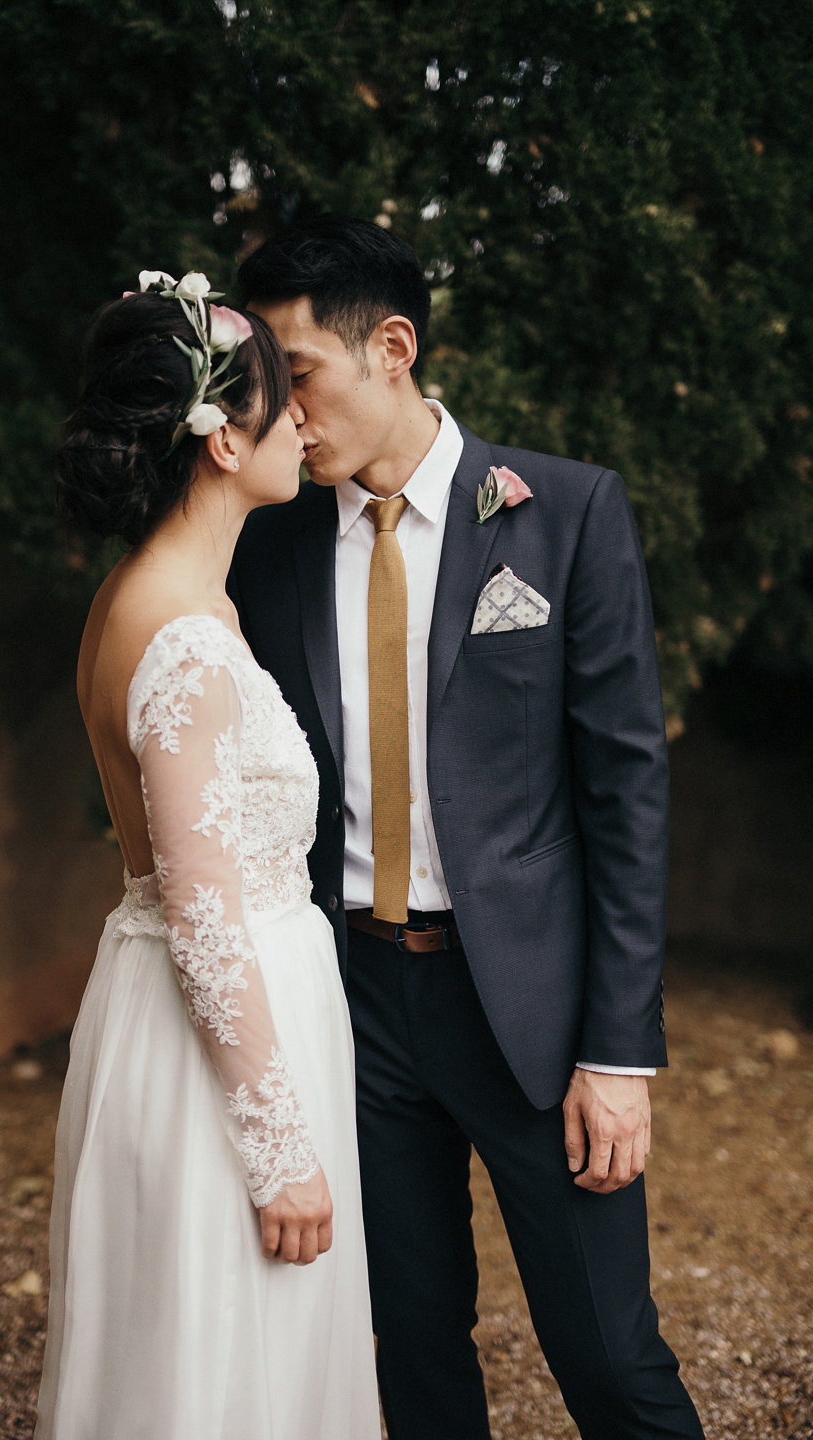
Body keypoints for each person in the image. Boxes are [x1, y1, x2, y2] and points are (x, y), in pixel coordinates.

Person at [229, 215, 705, 1440]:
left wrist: (618, 1053)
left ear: (393, 346)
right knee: (412, 1352)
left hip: (533, 1017)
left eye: (301, 374)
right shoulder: (267, 545)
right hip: (358, 1007)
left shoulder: (567, 514)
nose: (282, 409)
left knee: (610, 1361)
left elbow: (623, 797)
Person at [34, 270, 380, 1440]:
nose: (305, 426)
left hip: (237, 1024)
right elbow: (203, 913)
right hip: (216, 1055)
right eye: (283, 407)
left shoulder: (169, 601)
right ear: (224, 441)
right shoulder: (178, 630)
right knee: (217, 1376)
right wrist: (279, 1150)